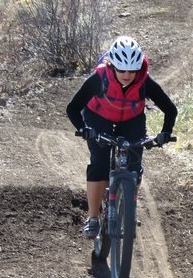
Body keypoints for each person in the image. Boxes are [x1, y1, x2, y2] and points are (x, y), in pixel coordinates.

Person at [66, 35, 178, 238]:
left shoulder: (144, 81)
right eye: (122, 70)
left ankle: (128, 207)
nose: (127, 75)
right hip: (98, 117)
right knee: (99, 163)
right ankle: (92, 218)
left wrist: (165, 133)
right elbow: (73, 108)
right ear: (112, 65)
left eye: (132, 71)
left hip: (131, 119)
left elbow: (170, 109)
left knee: (134, 165)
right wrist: (83, 128)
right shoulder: (99, 79)